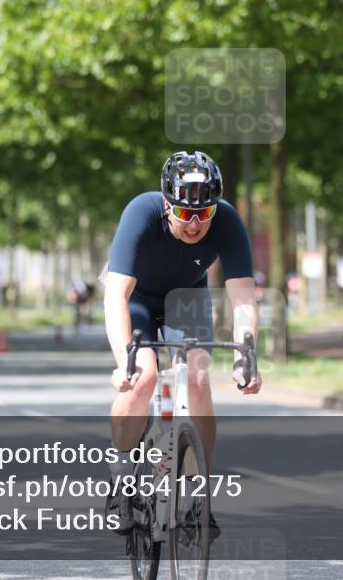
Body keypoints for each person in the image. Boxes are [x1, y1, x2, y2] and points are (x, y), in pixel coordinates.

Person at [103, 150, 262, 534]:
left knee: (199, 378)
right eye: (185, 213)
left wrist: (247, 354)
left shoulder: (227, 221)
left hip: (186, 297)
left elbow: (242, 297)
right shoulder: (140, 212)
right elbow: (115, 295)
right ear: (166, 203)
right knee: (143, 377)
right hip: (137, 296)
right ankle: (122, 479)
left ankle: (197, 494)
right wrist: (125, 360)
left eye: (204, 213)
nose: (194, 223)